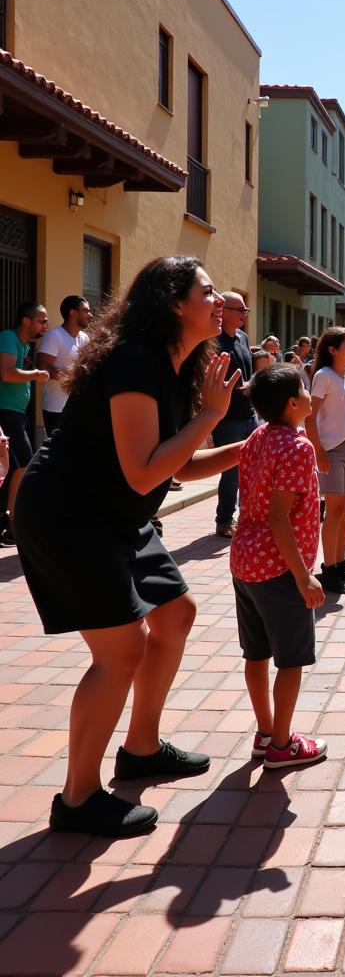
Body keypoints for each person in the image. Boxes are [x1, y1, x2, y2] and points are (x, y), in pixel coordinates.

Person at [16, 255, 245, 836]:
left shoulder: (176, 366)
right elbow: (146, 472)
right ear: (174, 302)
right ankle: (77, 798)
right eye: (208, 291)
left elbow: (172, 466)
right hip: (70, 513)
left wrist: (246, 448)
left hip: (115, 512)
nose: (220, 301)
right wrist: (212, 415)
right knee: (123, 651)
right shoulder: (136, 361)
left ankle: (141, 747)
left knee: (176, 614)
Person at [231, 364, 327, 769]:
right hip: (279, 567)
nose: (309, 395)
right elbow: (279, 517)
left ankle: (266, 731)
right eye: (304, 390)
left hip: (245, 560)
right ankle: (283, 745)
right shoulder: (297, 445)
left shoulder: (257, 436)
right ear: (292, 403)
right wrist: (303, 575)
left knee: (256, 654)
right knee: (291, 660)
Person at [306, 327, 345, 594]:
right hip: (332, 449)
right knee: (334, 510)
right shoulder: (323, 376)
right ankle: (328, 569)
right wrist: (317, 449)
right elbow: (310, 415)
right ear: (332, 349)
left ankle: (340, 563)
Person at [0, 302, 50, 546]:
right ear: (26, 321)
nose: (45, 325)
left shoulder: (25, 344)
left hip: (16, 412)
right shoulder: (8, 338)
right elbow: (7, 373)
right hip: (6, 412)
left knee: (15, 465)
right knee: (23, 461)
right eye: (42, 320)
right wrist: (36, 374)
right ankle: (13, 524)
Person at [211, 293, 257, 538]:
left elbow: (248, 372)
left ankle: (245, 516)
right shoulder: (213, 341)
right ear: (224, 311)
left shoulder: (242, 337)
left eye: (246, 309)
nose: (244, 314)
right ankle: (224, 519)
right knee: (230, 472)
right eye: (239, 309)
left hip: (249, 414)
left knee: (250, 470)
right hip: (227, 417)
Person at [37, 295, 92, 436]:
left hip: (77, 407)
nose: (90, 315)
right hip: (56, 407)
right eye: (85, 311)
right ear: (73, 313)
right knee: (57, 452)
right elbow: (44, 367)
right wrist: (73, 378)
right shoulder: (54, 335)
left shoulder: (84, 338)